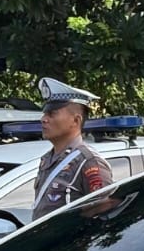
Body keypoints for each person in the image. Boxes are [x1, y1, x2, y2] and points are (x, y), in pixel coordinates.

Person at [31, 77, 113, 220]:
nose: (43, 119)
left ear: (76, 120)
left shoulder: (88, 162)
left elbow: (104, 212)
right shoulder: (47, 159)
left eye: (52, 114)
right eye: (44, 114)